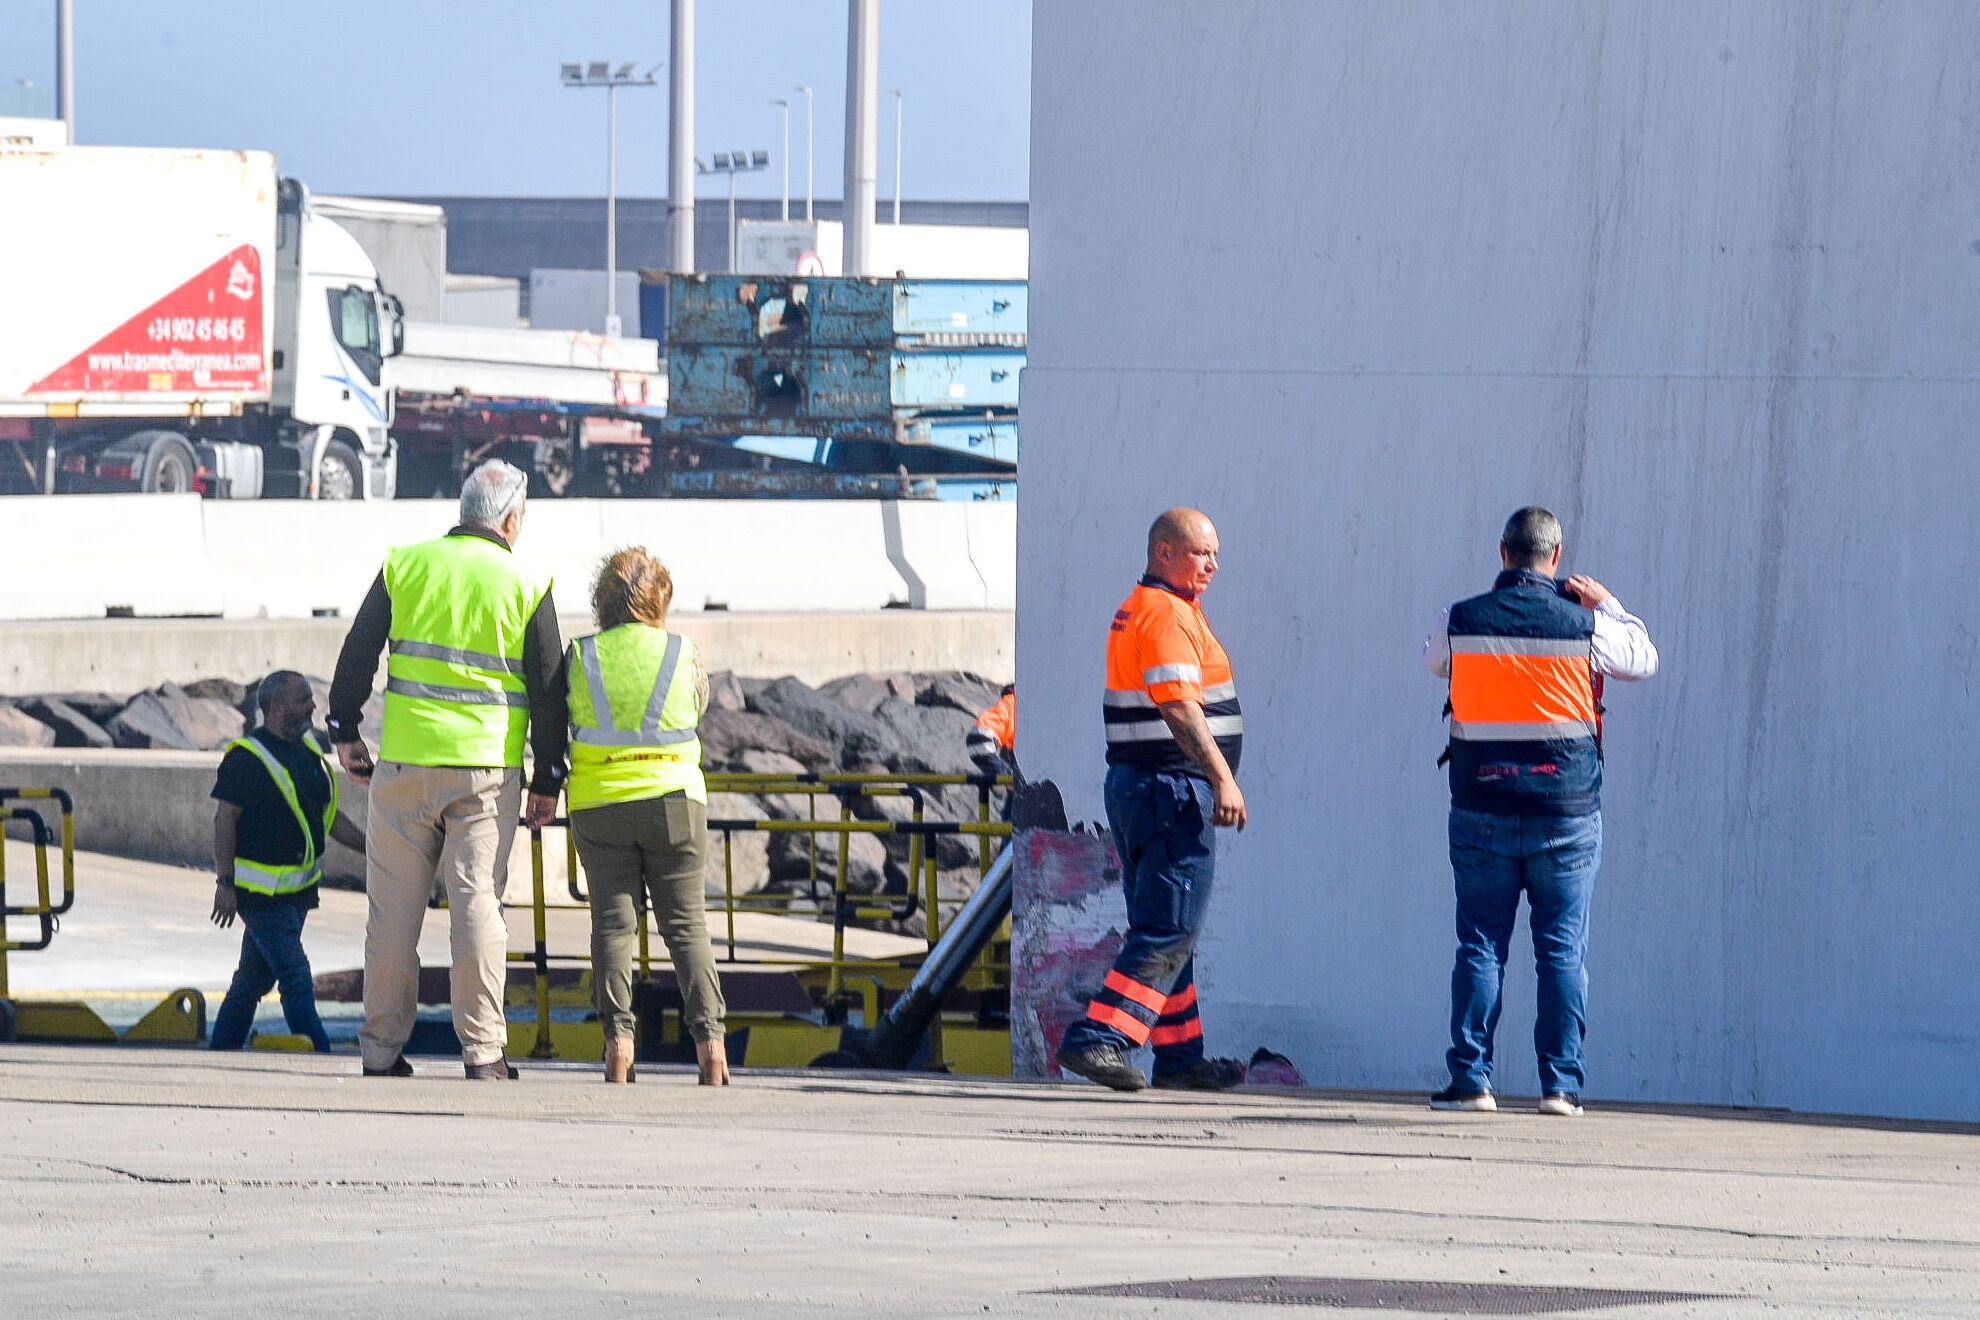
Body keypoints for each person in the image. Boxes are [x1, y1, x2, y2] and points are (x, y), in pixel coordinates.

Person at [327, 460, 566, 1081]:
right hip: (485, 772)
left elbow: (357, 654)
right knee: (477, 904)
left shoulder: (404, 565)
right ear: (511, 519)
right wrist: (548, 779)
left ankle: (380, 1050)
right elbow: (549, 689)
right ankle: (483, 1053)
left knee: (392, 915)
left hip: (405, 763)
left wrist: (345, 731)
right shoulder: (527, 581)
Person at [1423, 506, 1658, 1116]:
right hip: (1566, 812)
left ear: (1503, 553)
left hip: (1481, 806)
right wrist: (1607, 604)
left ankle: (1471, 1082)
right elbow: (1643, 659)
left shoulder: (1460, 619)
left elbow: (1434, 662)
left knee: (1480, 946)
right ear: (1555, 558)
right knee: (1561, 952)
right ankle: (1560, 1087)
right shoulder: (1587, 625)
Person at [1055, 508, 1249, 1092]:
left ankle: (1181, 1057)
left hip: (1145, 788)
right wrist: (1222, 778)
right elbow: (1179, 708)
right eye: (1201, 553)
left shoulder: (1154, 607)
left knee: (1169, 927)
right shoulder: (1165, 614)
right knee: (1169, 928)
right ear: (1164, 552)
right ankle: (1099, 1038)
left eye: (1215, 554)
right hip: (1171, 791)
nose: (1213, 565)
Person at [563, 547, 729, 1086]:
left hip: (600, 802)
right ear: (661, 598)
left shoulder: (580, 655)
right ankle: (711, 1050)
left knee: (613, 927)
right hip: (675, 801)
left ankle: (618, 1048)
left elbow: (563, 716)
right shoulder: (683, 652)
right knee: (687, 926)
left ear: (602, 601)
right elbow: (697, 706)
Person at [209, 671, 365, 1053]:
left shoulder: (308, 751)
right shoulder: (247, 757)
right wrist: (225, 884)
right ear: (277, 708)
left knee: (251, 981)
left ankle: (223, 1049)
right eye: (303, 699)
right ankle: (319, 1054)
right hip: (261, 897)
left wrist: (374, 848)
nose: (313, 706)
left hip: (297, 895)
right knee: (295, 976)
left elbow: (329, 818)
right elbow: (224, 819)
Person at [966, 686, 1017, 778]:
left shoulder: (1003, 704)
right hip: (987, 736)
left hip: (972, 737)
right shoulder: (1017, 705)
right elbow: (1014, 749)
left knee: (993, 774)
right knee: (1007, 777)